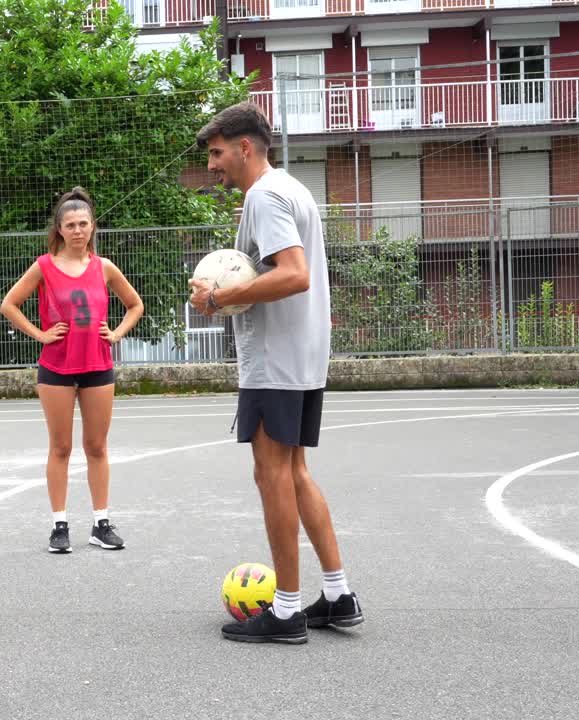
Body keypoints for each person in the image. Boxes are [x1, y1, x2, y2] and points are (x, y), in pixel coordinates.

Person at [188, 102, 363, 644]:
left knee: (272, 476)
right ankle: (338, 595)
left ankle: (286, 610)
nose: (212, 165)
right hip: (302, 355)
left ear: (245, 147)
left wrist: (218, 298)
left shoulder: (263, 196)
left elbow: (294, 274)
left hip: (275, 360)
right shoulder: (292, 188)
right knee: (296, 472)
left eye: (217, 153)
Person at [0, 187, 144, 554]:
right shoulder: (44, 266)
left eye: (83, 223)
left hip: (98, 365)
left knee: (96, 446)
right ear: (59, 230)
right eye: (70, 225)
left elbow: (135, 305)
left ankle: (101, 524)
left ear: (92, 226)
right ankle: (59, 525)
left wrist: (116, 334)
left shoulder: (104, 267)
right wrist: (41, 334)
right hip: (57, 368)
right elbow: (9, 305)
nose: (78, 230)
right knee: (61, 447)